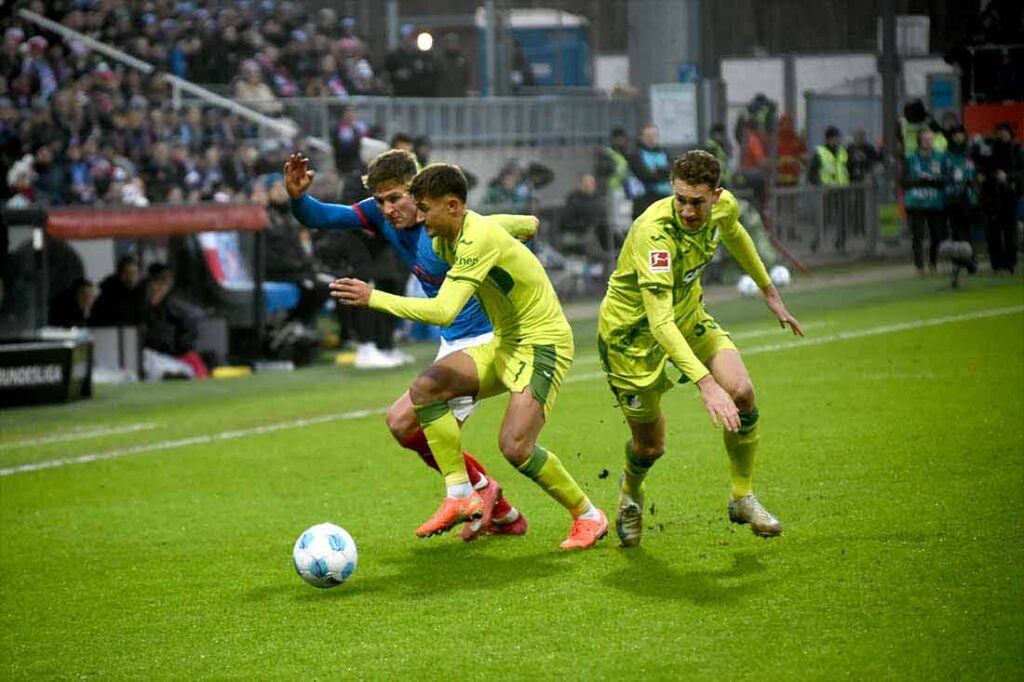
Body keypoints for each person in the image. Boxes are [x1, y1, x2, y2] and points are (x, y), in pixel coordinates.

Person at [330, 164, 609, 549]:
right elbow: (523, 224)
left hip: (543, 342)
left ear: (453, 205)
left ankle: (589, 516)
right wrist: (525, 225)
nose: (419, 217)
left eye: (424, 209)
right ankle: (461, 494)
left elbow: (444, 312)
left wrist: (372, 297)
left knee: (515, 446)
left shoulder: (475, 239)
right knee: (426, 388)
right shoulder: (449, 235)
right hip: (504, 341)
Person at [286, 149, 537, 540]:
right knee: (403, 426)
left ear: (417, 192)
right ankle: (499, 508)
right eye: (381, 200)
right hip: (451, 339)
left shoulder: (447, 225)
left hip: (485, 339)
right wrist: (298, 197)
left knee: (409, 422)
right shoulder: (378, 215)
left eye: (395, 198)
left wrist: (526, 224)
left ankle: (489, 498)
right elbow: (321, 217)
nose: (387, 209)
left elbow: (499, 226)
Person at [597, 150, 803, 548]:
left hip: (688, 318)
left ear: (716, 195)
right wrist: (707, 385)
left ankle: (742, 496)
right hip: (632, 339)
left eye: (697, 202)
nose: (688, 211)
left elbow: (736, 233)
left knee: (742, 392)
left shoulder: (724, 207)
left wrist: (770, 293)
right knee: (650, 446)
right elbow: (659, 323)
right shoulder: (652, 234)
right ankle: (630, 493)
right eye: (680, 200)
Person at [904, 129, 948, 274]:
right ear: (920, 141)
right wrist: (919, 180)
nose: (928, 142)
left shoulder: (940, 157)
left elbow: (946, 178)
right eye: (925, 139)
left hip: (935, 202)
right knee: (918, 235)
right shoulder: (911, 158)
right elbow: (904, 180)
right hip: (916, 202)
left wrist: (934, 179)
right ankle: (919, 265)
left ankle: (933, 262)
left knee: (936, 234)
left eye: (930, 139)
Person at [630, 123, 671, 218]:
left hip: (665, 198)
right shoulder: (636, 154)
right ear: (642, 138)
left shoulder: (664, 152)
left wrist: (656, 170)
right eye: (648, 136)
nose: (651, 139)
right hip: (645, 200)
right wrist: (663, 172)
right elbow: (646, 176)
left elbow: (672, 170)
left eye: (654, 136)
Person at [90, 253, 143, 326]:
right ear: (120, 275)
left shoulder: (144, 294)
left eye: (134, 273)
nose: (131, 278)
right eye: (127, 273)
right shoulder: (107, 296)